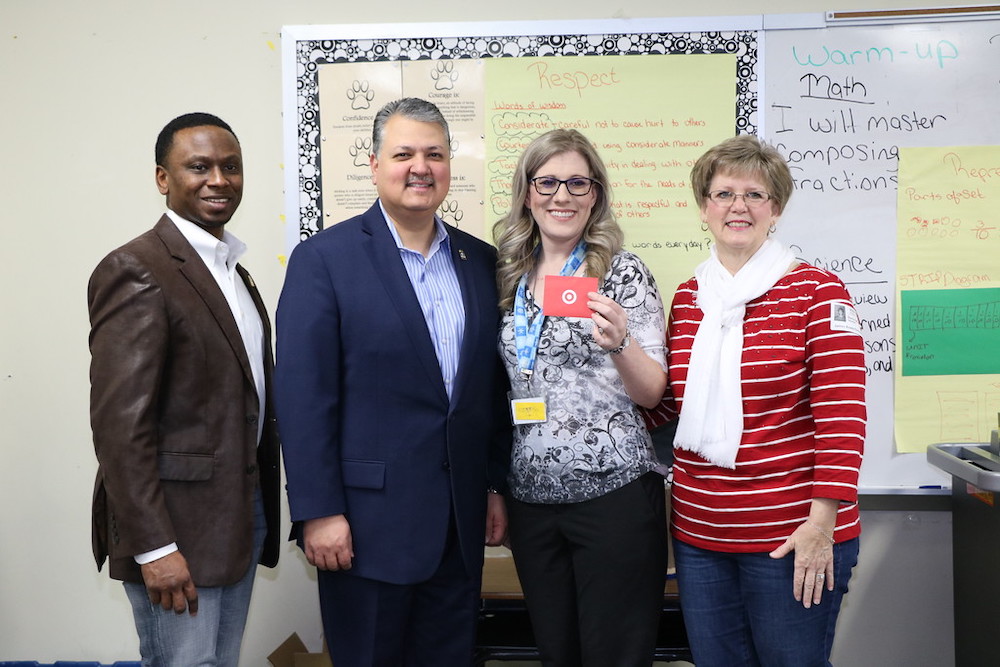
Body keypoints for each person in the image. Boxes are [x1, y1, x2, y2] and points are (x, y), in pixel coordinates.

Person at [274, 97, 510, 665]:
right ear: (375, 164)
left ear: (451, 165)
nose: (420, 167)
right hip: (363, 529)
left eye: (434, 153)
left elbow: (489, 389)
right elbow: (304, 400)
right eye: (403, 153)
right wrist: (318, 511)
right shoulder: (323, 260)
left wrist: (494, 485)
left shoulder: (480, 261)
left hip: (458, 528)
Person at [646, 134, 866, 666]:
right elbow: (671, 404)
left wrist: (821, 525)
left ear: (777, 210)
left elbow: (842, 418)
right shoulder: (690, 298)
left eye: (755, 195)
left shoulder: (818, 292)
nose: (737, 206)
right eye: (723, 194)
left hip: (791, 535)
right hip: (700, 536)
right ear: (704, 207)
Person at [88, 112, 281, 666]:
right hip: (176, 531)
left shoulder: (234, 272)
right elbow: (120, 428)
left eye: (231, 167)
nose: (218, 180)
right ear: (162, 178)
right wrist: (155, 547)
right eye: (198, 167)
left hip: (238, 516)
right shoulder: (137, 268)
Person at [492, 128, 670, 666]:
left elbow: (653, 390)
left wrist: (620, 344)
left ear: (596, 194)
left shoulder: (622, 271)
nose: (561, 196)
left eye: (576, 183)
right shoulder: (507, 276)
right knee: (557, 655)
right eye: (547, 182)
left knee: (614, 656)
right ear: (527, 192)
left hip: (613, 496)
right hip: (531, 501)